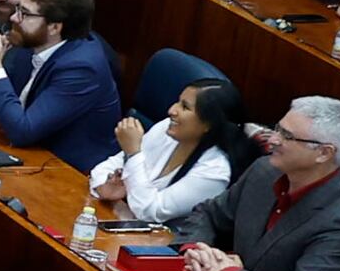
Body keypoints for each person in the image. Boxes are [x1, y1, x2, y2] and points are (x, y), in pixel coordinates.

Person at [182, 94, 340, 271]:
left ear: (324, 153)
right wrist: (196, 250)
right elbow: (209, 213)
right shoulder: (264, 171)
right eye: (278, 128)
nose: (272, 139)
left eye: (287, 136)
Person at [0, 0, 120, 159]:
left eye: (25, 13)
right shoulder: (31, 43)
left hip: (66, 171)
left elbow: (22, 131)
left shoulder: (82, 69)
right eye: (18, 9)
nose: (14, 18)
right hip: (26, 152)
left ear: (55, 27)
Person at [100, 72, 247, 233]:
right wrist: (106, 187)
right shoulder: (167, 128)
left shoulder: (214, 172)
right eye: (178, 102)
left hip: (160, 247)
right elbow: (103, 169)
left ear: (209, 124)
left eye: (185, 107)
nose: (171, 110)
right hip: (118, 222)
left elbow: (150, 212)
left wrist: (133, 154)